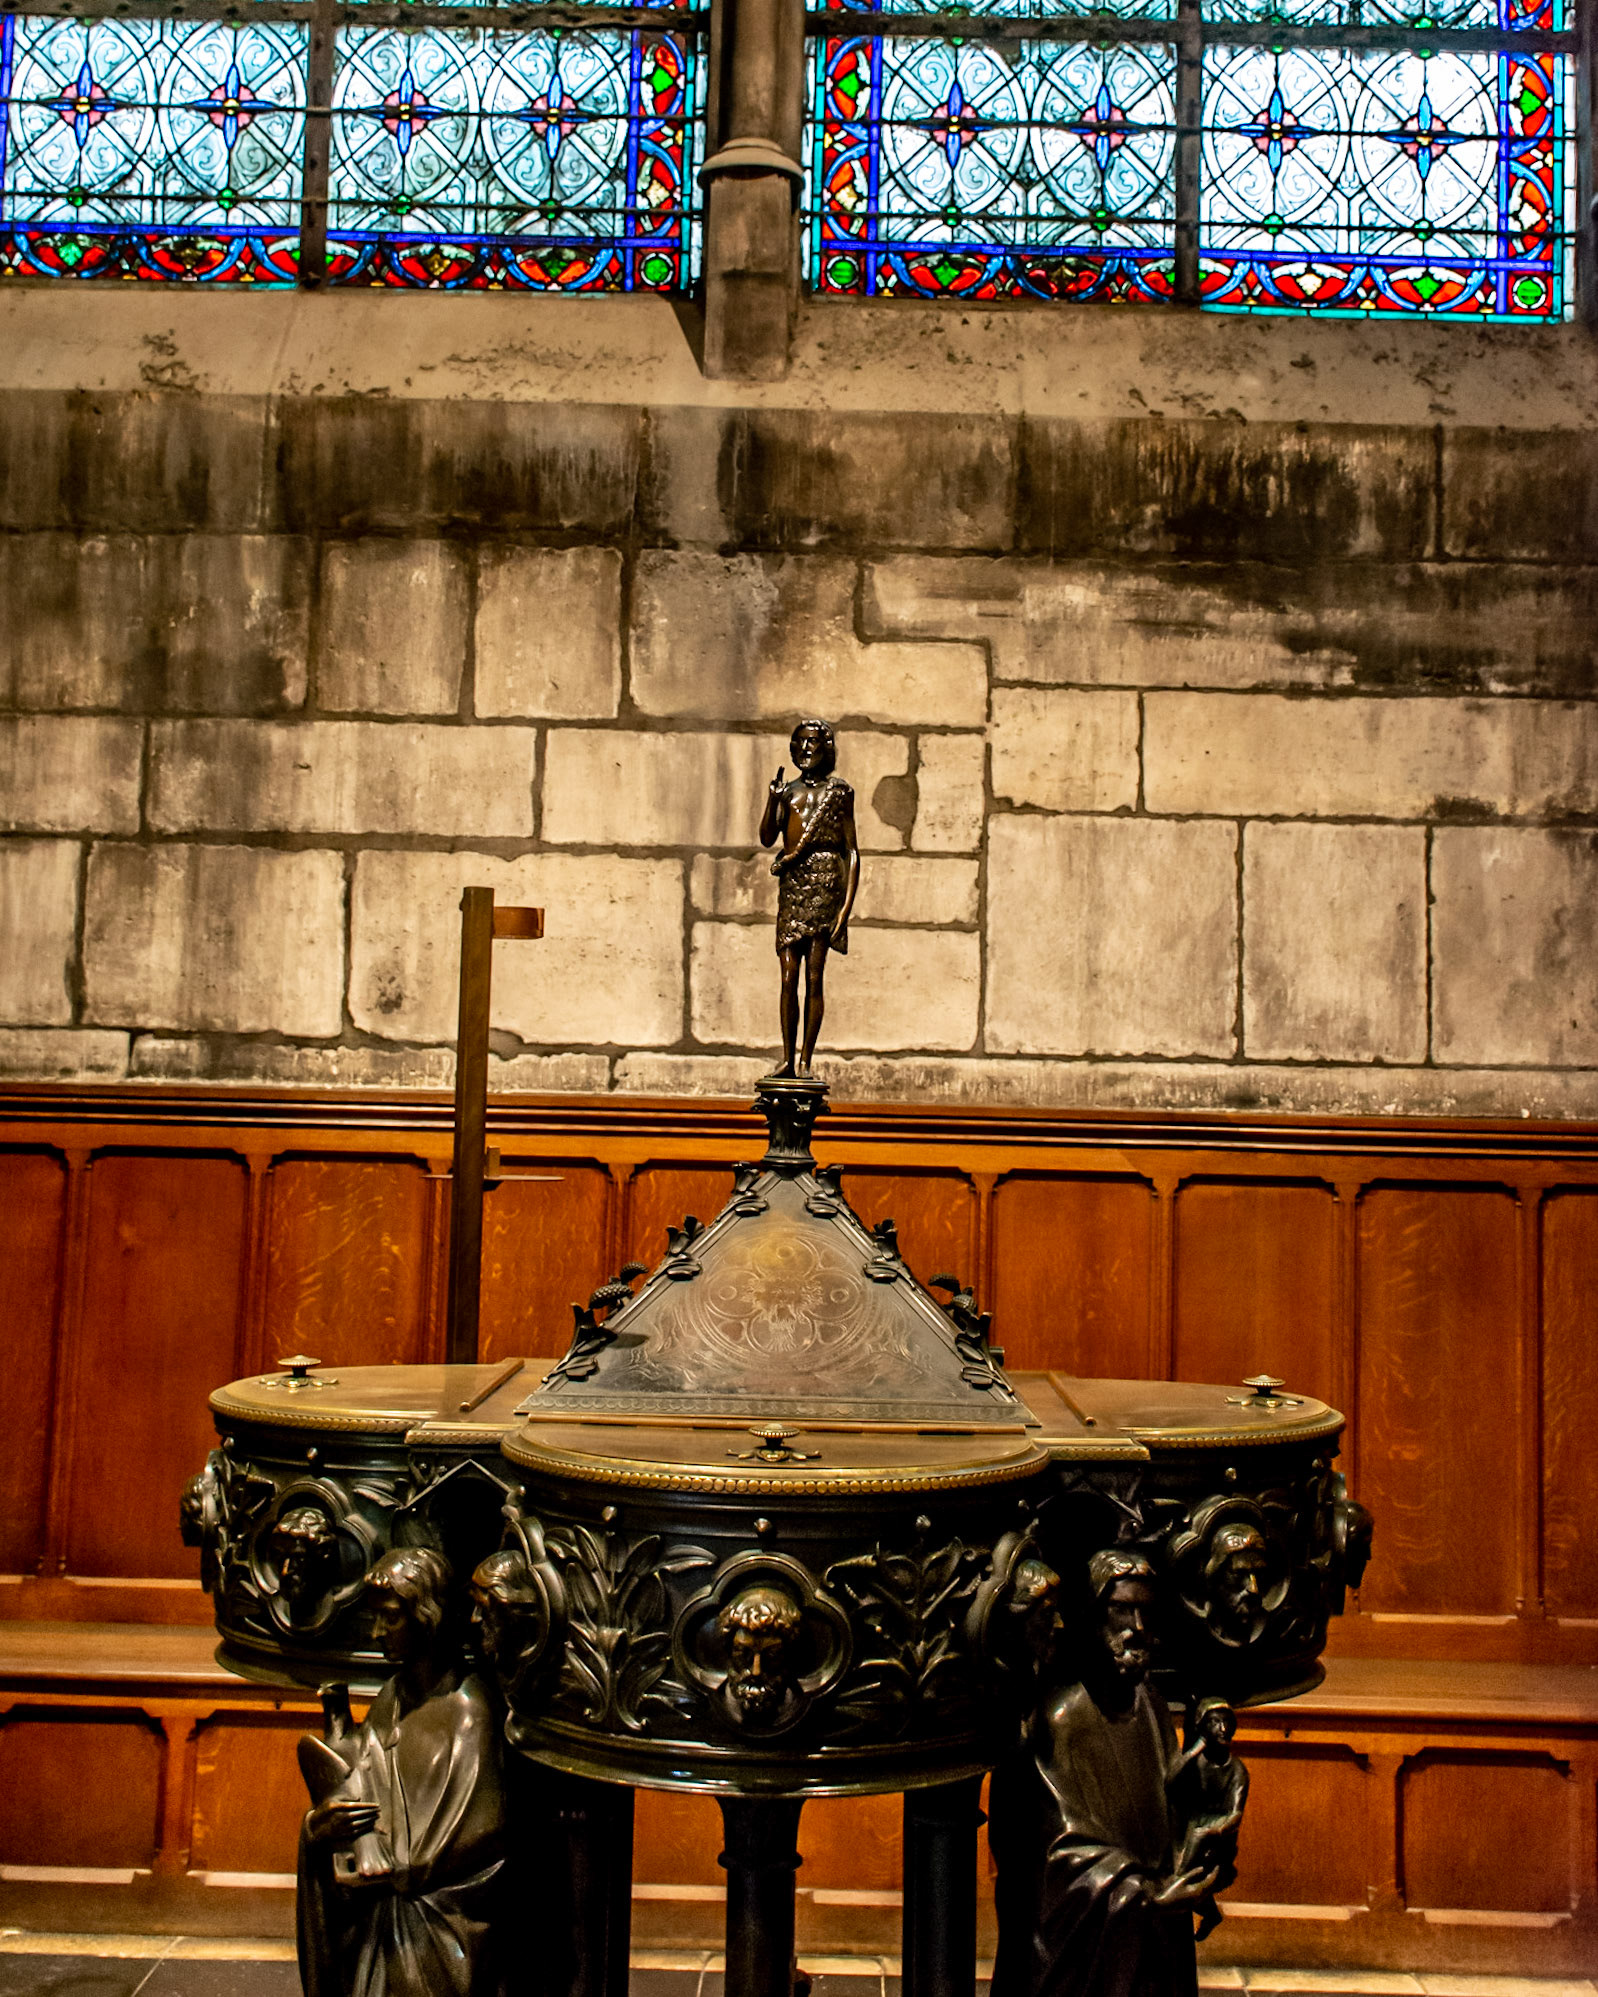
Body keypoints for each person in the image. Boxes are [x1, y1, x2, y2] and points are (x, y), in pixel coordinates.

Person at [990, 1550, 1220, 1997]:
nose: (1136, 1627)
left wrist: (1195, 1862)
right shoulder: (1062, 1717)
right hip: (1089, 1950)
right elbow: (1056, 1856)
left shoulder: (1149, 1702)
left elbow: (1169, 1810)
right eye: (1120, 1610)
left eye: (1145, 1611)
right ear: (1093, 1617)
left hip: (1151, 1934)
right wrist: (1146, 1895)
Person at [296, 1546, 506, 1997]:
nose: (376, 1632)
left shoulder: (470, 1709)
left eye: (390, 1617)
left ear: (426, 1616)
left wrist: (394, 1866)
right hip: (380, 1920)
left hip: (439, 1928)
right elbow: (362, 1791)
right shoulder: (391, 1698)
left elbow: (479, 1830)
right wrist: (318, 1828)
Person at [759, 719, 859, 1077]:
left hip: (825, 884)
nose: (805, 750)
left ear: (826, 748)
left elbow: (852, 852)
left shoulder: (839, 793)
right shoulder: (788, 793)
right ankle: (787, 1057)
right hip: (793, 885)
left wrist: (844, 912)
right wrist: (772, 800)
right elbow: (768, 838)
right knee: (789, 975)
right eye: (799, 743)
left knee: (814, 976)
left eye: (813, 743)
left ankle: (805, 1061)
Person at [1166, 1697, 1248, 1944]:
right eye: (1214, 1722)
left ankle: (1173, 1890)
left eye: (1226, 1722)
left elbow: (1235, 1813)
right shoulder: (1197, 1762)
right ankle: (1207, 1911)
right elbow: (1170, 1783)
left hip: (1218, 1834)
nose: (1222, 1729)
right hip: (1189, 1822)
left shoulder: (1236, 1770)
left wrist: (1217, 1829)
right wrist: (1194, 1750)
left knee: (1197, 1844)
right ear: (1203, 1727)